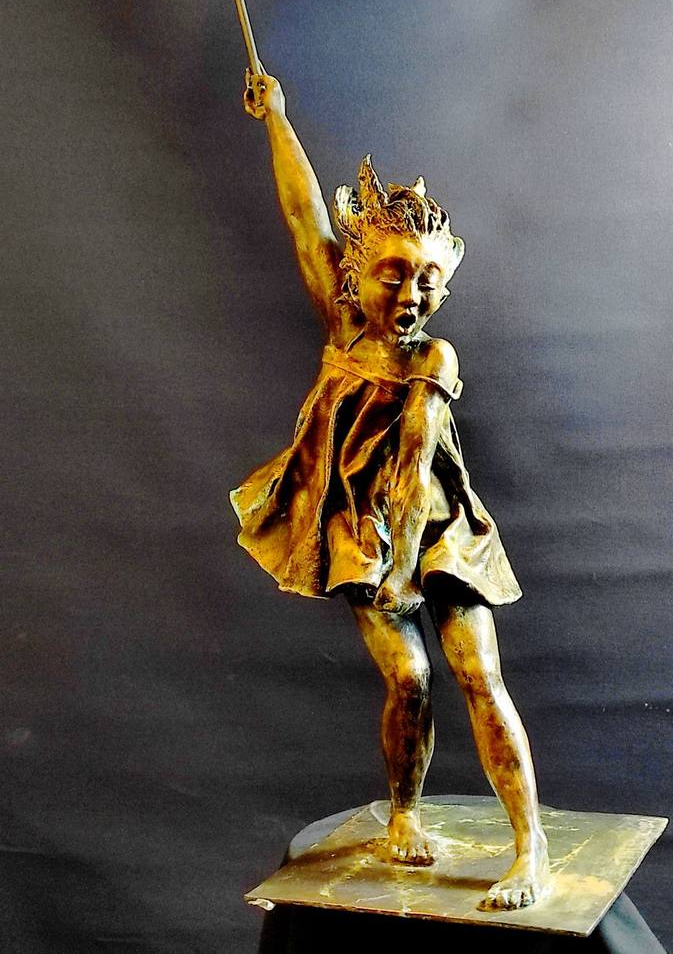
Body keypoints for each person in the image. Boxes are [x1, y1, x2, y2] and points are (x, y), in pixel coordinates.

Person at [231, 69, 550, 909]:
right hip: (360, 529)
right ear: (356, 273)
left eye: (427, 280)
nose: (411, 295)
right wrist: (278, 119)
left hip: (436, 531)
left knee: (476, 668)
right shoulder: (343, 330)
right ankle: (404, 812)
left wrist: (405, 568)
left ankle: (531, 847)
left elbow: (411, 466)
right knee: (407, 677)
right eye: (394, 274)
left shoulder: (432, 358)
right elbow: (304, 215)